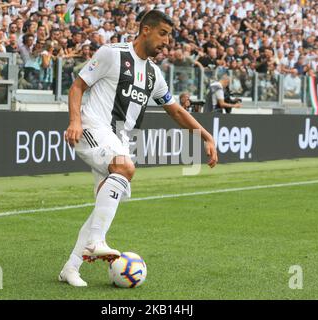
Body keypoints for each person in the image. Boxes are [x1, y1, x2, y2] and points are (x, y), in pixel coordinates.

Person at [60, 10, 218, 287]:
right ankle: (96, 241)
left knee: (106, 202)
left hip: (118, 139)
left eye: (169, 36)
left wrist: (205, 136)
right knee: (125, 167)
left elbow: (176, 111)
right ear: (146, 30)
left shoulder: (154, 75)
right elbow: (77, 86)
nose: (167, 42)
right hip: (92, 128)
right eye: (163, 34)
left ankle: (71, 268)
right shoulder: (112, 54)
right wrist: (74, 120)